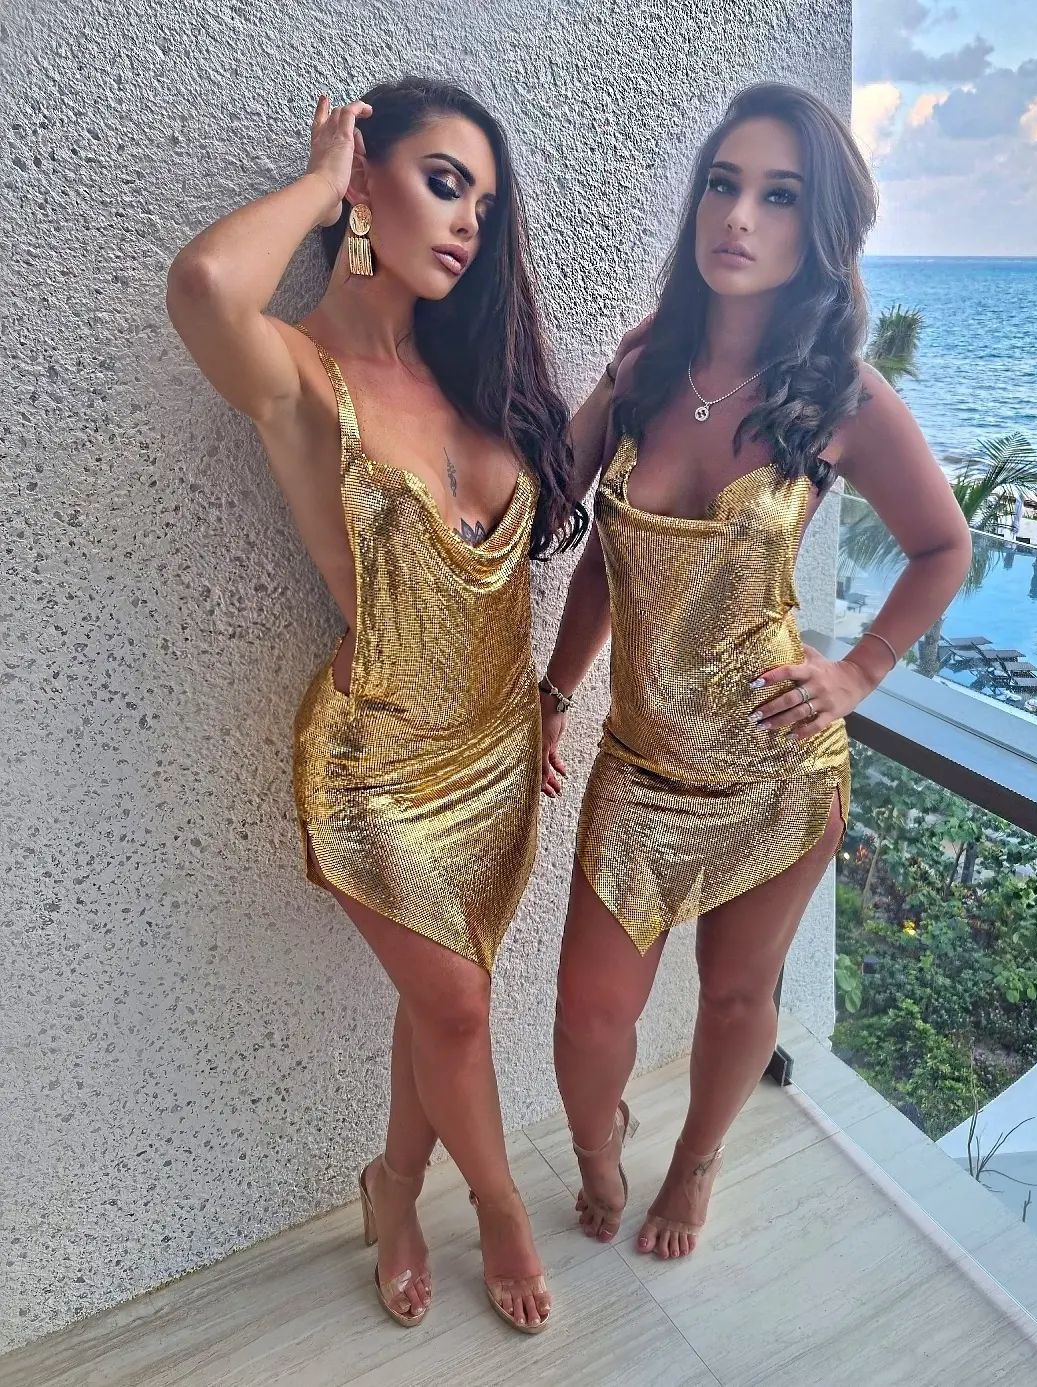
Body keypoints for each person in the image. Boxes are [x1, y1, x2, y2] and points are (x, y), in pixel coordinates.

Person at [167, 77, 585, 1332]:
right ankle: (498, 1211)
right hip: (377, 768)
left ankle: (392, 1184)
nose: (465, 223)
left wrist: (542, 703)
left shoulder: (473, 378)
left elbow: (500, 587)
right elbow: (204, 286)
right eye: (443, 183)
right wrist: (316, 182)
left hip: (497, 756)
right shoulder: (303, 373)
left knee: (438, 1000)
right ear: (367, 179)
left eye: (483, 206)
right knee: (457, 1004)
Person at [541, 82, 972, 1260]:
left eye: (778, 197)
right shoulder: (646, 372)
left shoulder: (840, 398)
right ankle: (597, 1147)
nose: (737, 217)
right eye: (722, 185)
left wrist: (857, 672)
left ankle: (695, 1160)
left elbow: (942, 547)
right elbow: (588, 547)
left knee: (736, 996)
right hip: (639, 766)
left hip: (775, 767)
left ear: (818, 233)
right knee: (587, 1017)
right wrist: (554, 693)